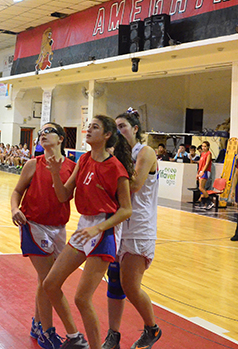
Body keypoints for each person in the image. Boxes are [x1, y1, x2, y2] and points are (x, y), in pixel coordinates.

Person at [43, 115, 133, 349]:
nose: (88, 129)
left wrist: (98, 228)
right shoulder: (83, 160)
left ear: (106, 136)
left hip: (102, 231)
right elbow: (64, 196)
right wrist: (54, 171)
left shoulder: (116, 168)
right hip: (84, 227)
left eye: (95, 127)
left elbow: (126, 210)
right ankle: (74, 337)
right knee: (50, 284)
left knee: (82, 298)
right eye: (88, 126)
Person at [10, 122, 76, 349]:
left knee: (44, 281)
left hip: (59, 227)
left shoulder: (72, 167)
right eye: (41, 132)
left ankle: (37, 323)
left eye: (48, 131)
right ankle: (47, 331)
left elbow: (67, 197)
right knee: (49, 280)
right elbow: (17, 191)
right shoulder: (32, 164)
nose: (43, 134)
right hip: (33, 224)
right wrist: (14, 208)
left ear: (60, 139)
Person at [102, 110, 162, 349]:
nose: (118, 131)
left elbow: (135, 185)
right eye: (115, 128)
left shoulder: (145, 152)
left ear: (135, 129)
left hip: (139, 227)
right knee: (114, 283)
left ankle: (152, 328)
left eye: (123, 126)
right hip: (118, 226)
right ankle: (113, 335)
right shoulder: (114, 155)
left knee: (130, 286)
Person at [196, 141, 213, 209]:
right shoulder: (202, 154)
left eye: (205, 146)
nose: (203, 147)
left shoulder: (209, 154)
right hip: (201, 171)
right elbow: (200, 164)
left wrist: (203, 171)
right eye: (202, 146)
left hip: (205, 171)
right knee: (201, 188)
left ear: (208, 147)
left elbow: (207, 163)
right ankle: (203, 203)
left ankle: (209, 202)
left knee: (201, 188)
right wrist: (198, 173)